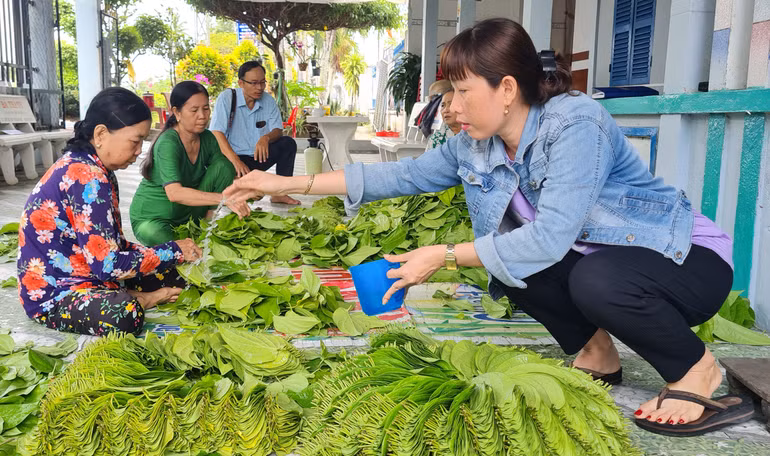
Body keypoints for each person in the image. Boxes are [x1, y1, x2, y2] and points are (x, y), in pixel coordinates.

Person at [223, 18, 748, 437]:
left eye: (459, 91)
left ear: (507, 88)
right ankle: (598, 352)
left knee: (579, 274)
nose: (449, 108)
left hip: (681, 258)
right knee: (508, 267)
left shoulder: (575, 124)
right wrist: (279, 184)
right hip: (607, 262)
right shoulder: (477, 142)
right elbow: (399, 174)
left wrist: (444, 255)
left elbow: (550, 238)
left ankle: (696, 370)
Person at [17, 87, 203, 337]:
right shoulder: (87, 177)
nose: (139, 151)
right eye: (135, 141)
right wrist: (172, 250)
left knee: (174, 274)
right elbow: (108, 265)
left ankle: (134, 294)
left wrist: (173, 254)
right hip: (56, 293)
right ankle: (141, 299)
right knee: (125, 314)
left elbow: (113, 246)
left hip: (93, 277)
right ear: (101, 134)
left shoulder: (97, 169)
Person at [130, 81, 250, 246]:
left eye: (206, 109)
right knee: (159, 237)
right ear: (177, 112)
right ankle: (183, 241)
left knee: (224, 166)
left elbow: (225, 175)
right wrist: (225, 199)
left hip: (190, 213)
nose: (202, 116)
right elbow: (175, 194)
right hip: (155, 219)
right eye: (194, 110)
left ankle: (205, 227)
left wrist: (250, 189)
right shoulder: (169, 142)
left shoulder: (208, 138)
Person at [210, 61, 300, 205]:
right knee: (250, 194)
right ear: (241, 83)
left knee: (288, 144)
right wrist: (236, 161)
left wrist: (266, 138)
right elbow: (216, 132)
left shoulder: (268, 101)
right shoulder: (227, 98)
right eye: (253, 83)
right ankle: (237, 186)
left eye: (262, 82)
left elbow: (278, 130)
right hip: (233, 161)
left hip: (258, 156)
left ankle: (280, 194)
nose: (259, 88)